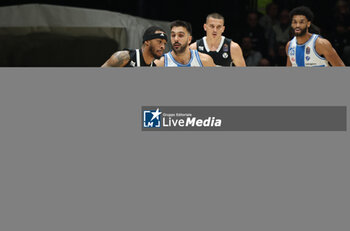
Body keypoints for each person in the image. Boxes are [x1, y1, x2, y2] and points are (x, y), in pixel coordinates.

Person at [102, 26, 167, 67]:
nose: (163, 47)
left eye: (164, 43)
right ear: (147, 41)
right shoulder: (123, 57)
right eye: (159, 41)